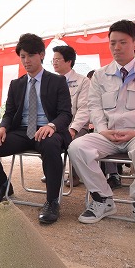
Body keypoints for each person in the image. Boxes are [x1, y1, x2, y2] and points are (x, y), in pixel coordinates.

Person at [68, 20, 135, 239]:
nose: (116, 47)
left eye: (123, 42)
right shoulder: (100, 74)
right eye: (112, 43)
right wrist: (103, 129)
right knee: (77, 147)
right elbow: (94, 105)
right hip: (108, 133)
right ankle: (102, 199)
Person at [0, 33, 72, 224]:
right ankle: (3, 186)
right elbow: (9, 112)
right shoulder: (16, 84)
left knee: (51, 146)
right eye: (22, 56)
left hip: (48, 130)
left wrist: (51, 125)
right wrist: (3, 128)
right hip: (22, 131)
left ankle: (52, 201)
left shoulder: (57, 81)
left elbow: (65, 114)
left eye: (30, 55)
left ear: (41, 55)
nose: (26, 61)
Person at [51, 45, 90, 187]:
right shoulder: (51, 81)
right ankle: (54, 172)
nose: (54, 62)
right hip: (56, 125)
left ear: (69, 61)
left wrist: (73, 129)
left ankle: (74, 175)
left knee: (74, 143)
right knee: (46, 140)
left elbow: (84, 109)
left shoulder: (83, 81)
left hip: (77, 127)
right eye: (53, 60)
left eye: (57, 59)